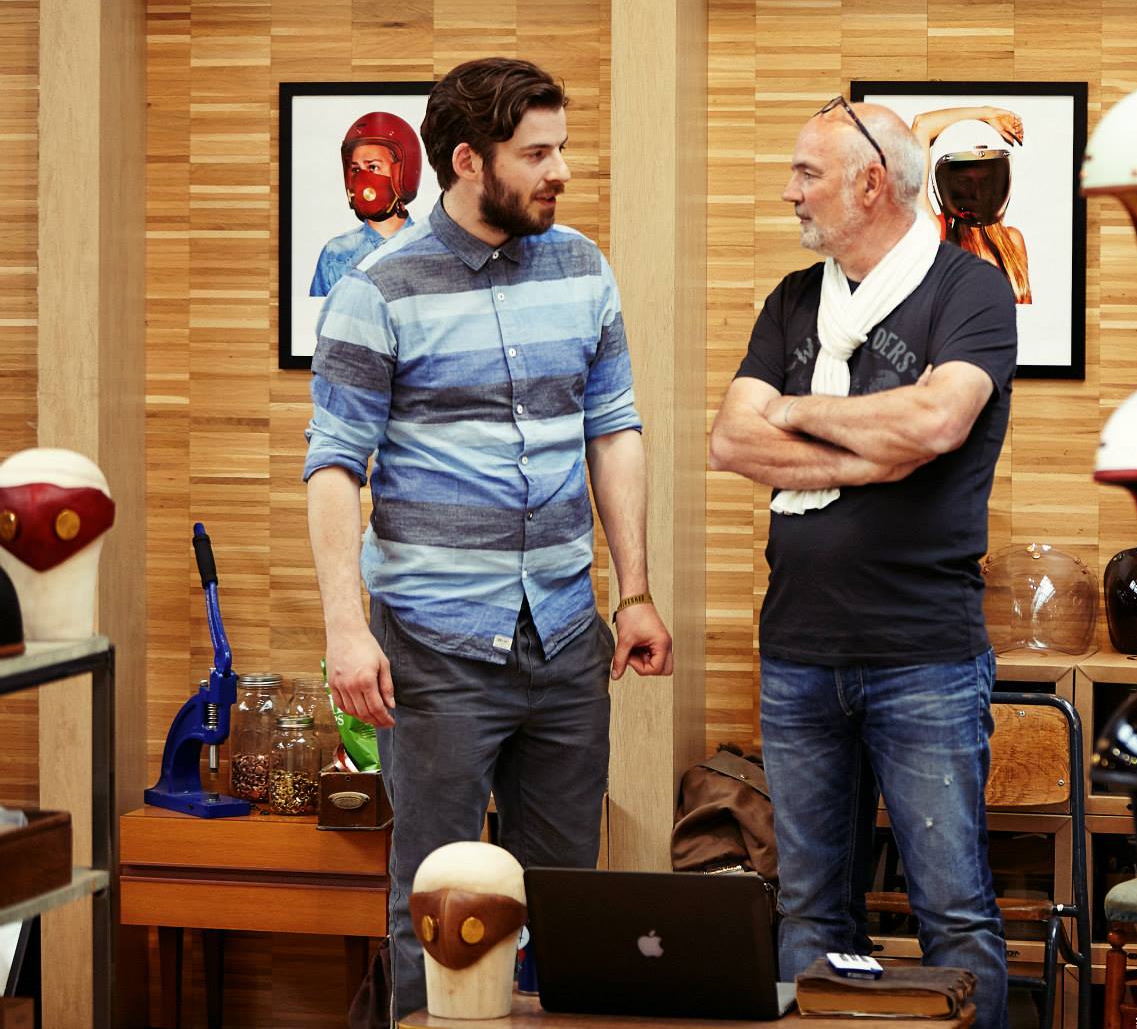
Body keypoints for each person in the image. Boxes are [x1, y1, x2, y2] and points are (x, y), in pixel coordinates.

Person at [306, 57, 675, 1023]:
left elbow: (613, 429)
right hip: (434, 650)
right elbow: (335, 465)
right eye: (537, 154)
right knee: (435, 905)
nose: (562, 171)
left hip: (565, 637)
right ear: (468, 160)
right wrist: (347, 631)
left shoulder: (583, 267)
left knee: (563, 905)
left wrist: (635, 592)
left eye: (562, 149)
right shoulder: (377, 290)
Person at [710, 98, 1019, 1029]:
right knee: (811, 912)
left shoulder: (970, 292)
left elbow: (937, 420)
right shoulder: (792, 300)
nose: (790, 191)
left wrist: (794, 410)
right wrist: (872, 454)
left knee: (952, 915)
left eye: (807, 173)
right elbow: (732, 440)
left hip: (924, 655)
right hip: (797, 652)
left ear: (871, 183)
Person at [912, 104, 1033, 303]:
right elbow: (922, 126)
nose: (976, 192)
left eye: (984, 182)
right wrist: (987, 114)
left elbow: (1026, 315)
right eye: (964, 182)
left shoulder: (1012, 241)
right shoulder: (937, 235)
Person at [310, 111, 423, 297]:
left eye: (373, 167)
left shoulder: (430, 249)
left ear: (403, 174)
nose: (363, 178)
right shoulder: (335, 254)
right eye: (356, 169)